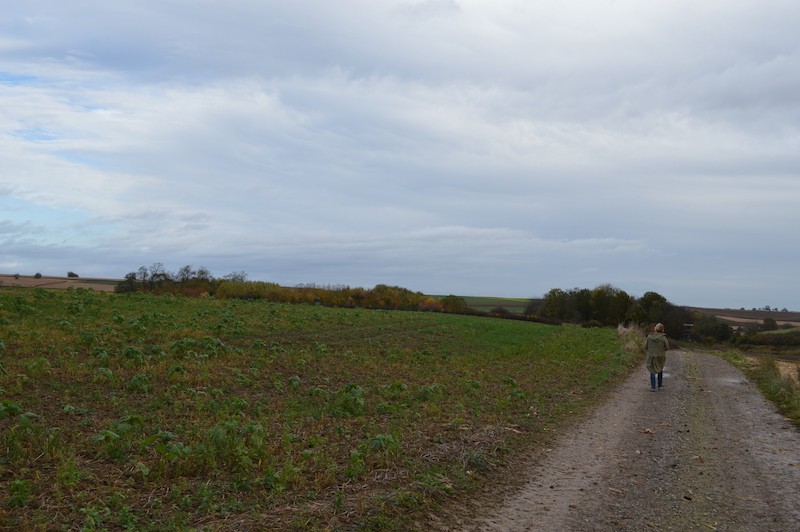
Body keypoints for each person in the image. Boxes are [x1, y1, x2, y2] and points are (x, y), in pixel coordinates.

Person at [645, 323, 669, 391]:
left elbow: (645, 346)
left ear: (655, 328)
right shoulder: (663, 338)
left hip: (651, 355)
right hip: (661, 356)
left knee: (652, 370)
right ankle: (660, 385)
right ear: (662, 330)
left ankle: (653, 387)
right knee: (660, 369)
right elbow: (667, 348)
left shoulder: (649, 337)